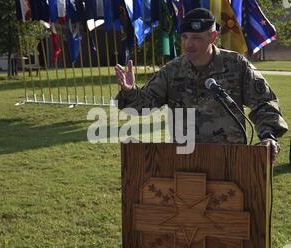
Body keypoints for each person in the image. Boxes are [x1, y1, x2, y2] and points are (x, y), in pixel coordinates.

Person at [114, 8, 288, 162]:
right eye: (184, 37)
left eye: (196, 38)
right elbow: (143, 106)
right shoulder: (172, 71)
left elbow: (264, 103)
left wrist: (268, 136)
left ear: (212, 37)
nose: (188, 44)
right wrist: (129, 91)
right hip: (185, 159)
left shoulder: (236, 65)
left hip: (231, 159)